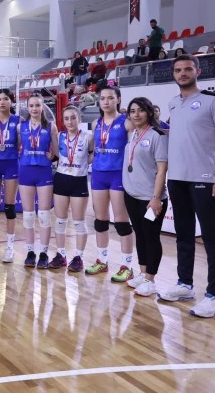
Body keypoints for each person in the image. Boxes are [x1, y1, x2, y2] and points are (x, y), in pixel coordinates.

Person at [158, 54, 215, 318]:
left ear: (197, 71)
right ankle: (185, 284)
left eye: (187, 69)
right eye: (178, 70)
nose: (182, 73)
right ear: (173, 74)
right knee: (183, 234)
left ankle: (214, 296)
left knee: (211, 238)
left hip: (205, 178)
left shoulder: (214, 100)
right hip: (177, 178)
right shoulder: (173, 103)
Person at [86, 84, 135, 282]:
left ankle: (127, 266)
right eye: (103, 98)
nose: (106, 102)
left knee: (121, 222)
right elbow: (94, 150)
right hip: (98, 174)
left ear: (118, 100)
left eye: (110, 98)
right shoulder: (95, 123)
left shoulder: (127, 122)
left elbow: (134, 149)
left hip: (118, 175)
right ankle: (102, 260)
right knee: (100, 220)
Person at [122, 97, 168, 297]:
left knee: (151, 237)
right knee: (139, 235)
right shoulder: (133, 133)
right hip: (132, 195)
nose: (136, 114)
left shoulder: (157, 135)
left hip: (151, 198)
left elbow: (162, 169)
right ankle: (142, 273)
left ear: (149, 112)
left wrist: (156, 197)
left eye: (140, 110)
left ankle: (151, 279)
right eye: (132, 111)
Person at [17, 93, 58, 268]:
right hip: (26, 170)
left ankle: (43, 253)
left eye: (38, 105)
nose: (34, 108)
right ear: (27, 108)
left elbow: (57, 151)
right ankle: (30, 252)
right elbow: (16, 148)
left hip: (43, 172)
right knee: (28, 215)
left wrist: (53, 156)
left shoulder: (50, 126)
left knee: (44, 214)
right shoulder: (20, 127)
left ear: (42, 107)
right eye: (31, 105)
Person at [53, 105, 92, 272]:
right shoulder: (60, 136)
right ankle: (61, 254)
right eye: (66, 118)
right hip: (61, 179)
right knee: (60, 220)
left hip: (79, 180)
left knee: (79, 222)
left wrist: (83, 163)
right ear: (63, 121)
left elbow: (93, 153)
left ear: (79, 119)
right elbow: (55, 154)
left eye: (73, 118)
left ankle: (78, 257)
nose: (70, 121)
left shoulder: (88, 137)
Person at [0, 89, 20, 263]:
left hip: (11, 164)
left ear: (11, 101)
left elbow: (22, 143)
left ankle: (10, 247)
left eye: (6, 99)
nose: (2, 102)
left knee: (9, 207)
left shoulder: (18, 121)